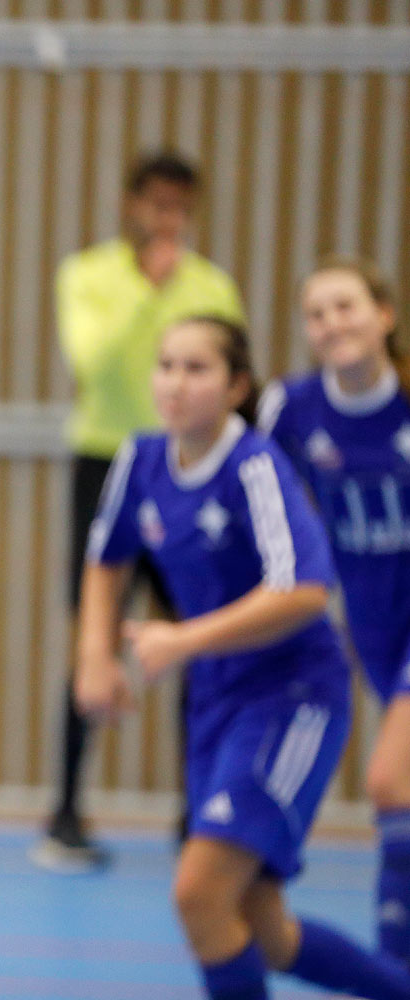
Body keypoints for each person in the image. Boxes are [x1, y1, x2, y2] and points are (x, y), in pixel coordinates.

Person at [78, 314, 410, 999]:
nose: (175, 382)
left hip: (294, 696)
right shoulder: (139, 460)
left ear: (236, 387)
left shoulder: (253, 464)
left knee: (199, 893)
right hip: (217, 702)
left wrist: (183, 640)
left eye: (196, 368)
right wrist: (94, 656)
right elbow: (105, 563)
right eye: (166, 364)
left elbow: (306, 590)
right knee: (265, 929)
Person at [37, 151, 248, 872]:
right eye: (155, 203)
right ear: (131, 204)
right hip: (105, 462)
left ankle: (202, 815)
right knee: (91, 634)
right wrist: (149, 294)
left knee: (200, 638)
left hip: (188, 470)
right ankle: (65, 811)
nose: (167, 218)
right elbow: (92, 362)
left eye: (179, 206)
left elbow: (235, 388)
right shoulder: (89, 276)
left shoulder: (213, 285)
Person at [257, 257, 410, 966]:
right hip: (373, 625)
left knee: (390, 780)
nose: (331, 324)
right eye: (316, 314)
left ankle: (393, 967)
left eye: (346, 306)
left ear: (385, 314)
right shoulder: (291, 411)